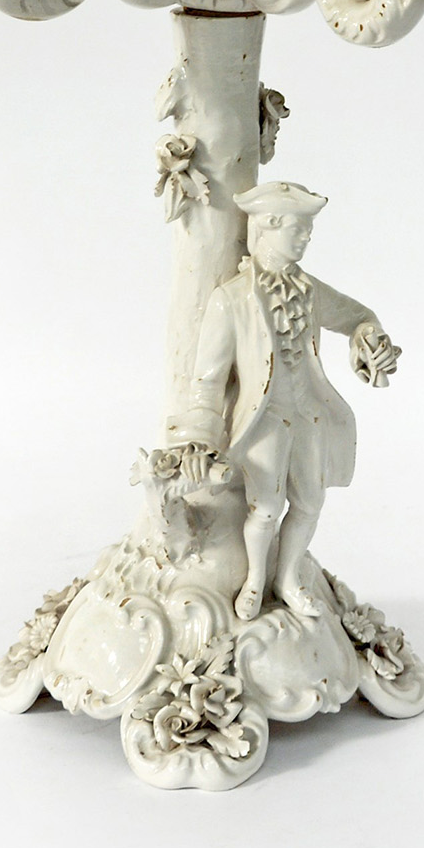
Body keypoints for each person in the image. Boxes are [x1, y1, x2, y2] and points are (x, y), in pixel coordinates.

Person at [169, 181, 400, 621]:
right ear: (267, 226)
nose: (307, 237)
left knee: (310, 502)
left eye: (309, 229)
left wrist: (372, 343)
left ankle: (288, 577)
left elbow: (359, 318)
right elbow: (208, 380)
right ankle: (256, 579)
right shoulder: (230, 300)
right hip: (264, 418)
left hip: (308, 412)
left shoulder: (309, 290)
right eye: (298, 228)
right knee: (266, 507)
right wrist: (198, 438)